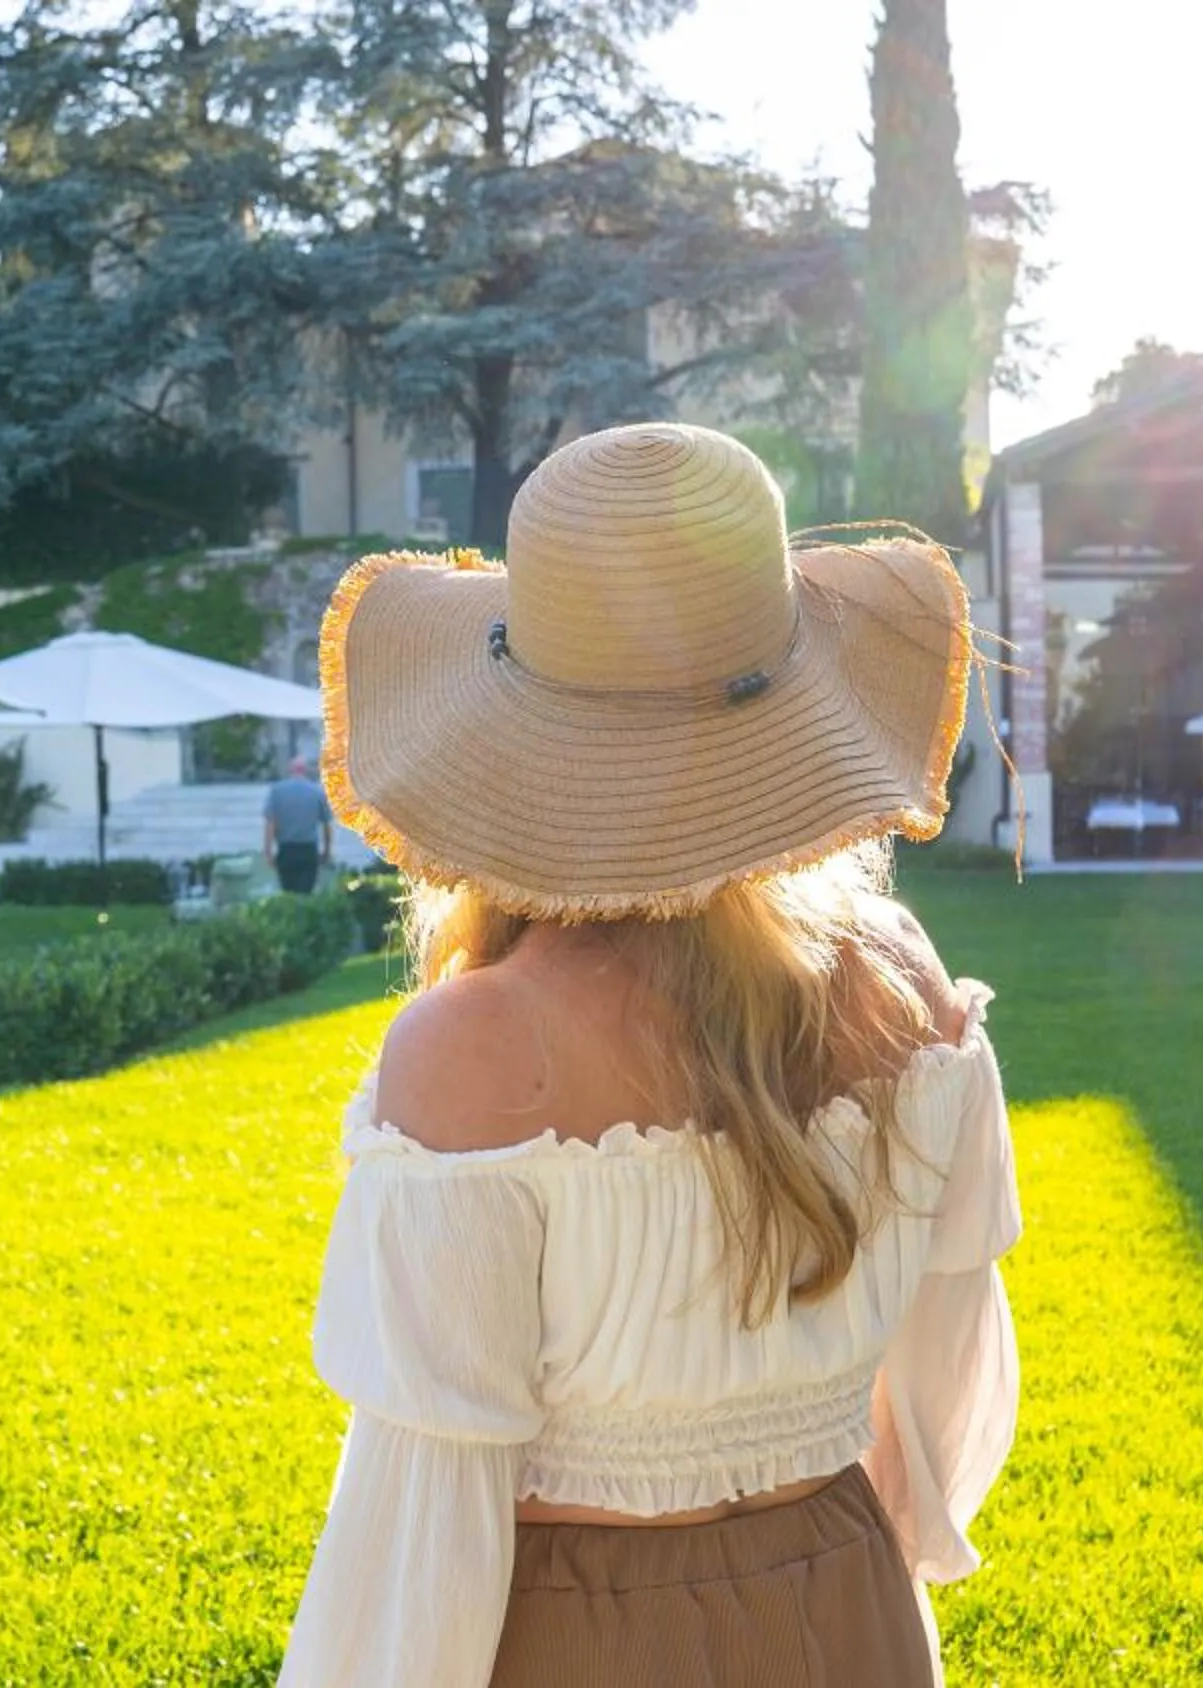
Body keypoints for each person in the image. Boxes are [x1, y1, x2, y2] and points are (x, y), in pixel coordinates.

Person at [279, 423, 1018, 1686]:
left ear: (513, 736)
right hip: (849, 1602)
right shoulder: (908, 982)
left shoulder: (475, 1048)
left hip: (580, 1638)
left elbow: (421, 1524)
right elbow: (945, 1385)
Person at [262, 756, 333, 894]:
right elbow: (326, 826)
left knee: (288, 893)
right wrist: (327, 851)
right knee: (306, 893)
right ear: (305, 771)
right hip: (309, 850)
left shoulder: (276, 791)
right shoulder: (317, 792)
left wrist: (268, 852)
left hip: (286, 850)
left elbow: (270, 824)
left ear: (290, 770)